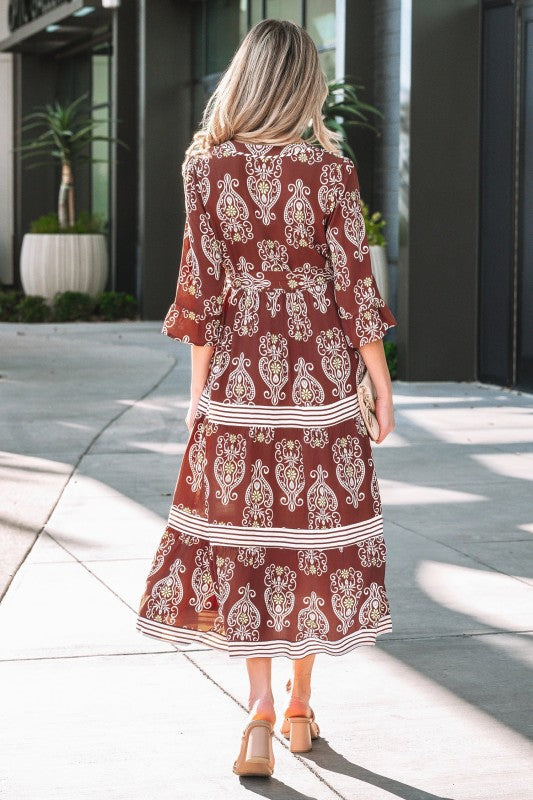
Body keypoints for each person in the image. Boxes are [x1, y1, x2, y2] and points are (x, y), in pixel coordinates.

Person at [136, 18, 397, 778]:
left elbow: (201, 293)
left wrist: (198, 396)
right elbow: (354, 290)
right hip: (317, 381)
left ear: (244, 78)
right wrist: (380, 389)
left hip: (238, 383)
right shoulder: (330, 171)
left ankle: (254, 712)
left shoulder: (205, 169)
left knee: (246, 545)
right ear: (304, 85)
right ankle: (299, 704)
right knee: (312, 538)